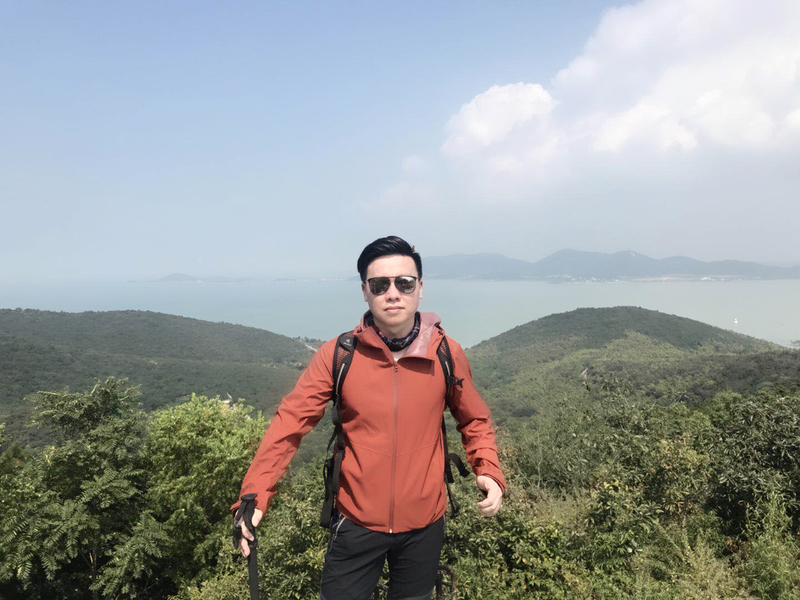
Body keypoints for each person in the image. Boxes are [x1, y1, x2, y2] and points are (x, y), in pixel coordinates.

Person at [233, 235, 506, 600]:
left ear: (420, 288)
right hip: (355, 520)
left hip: (424, 524)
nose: (392, 293)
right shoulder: (339, 355)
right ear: (365, 291)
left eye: (404, 283)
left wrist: (488, 469)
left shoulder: (446, 353)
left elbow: (474, 420)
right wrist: (254, 494)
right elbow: (290, 422)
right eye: (379, 285)